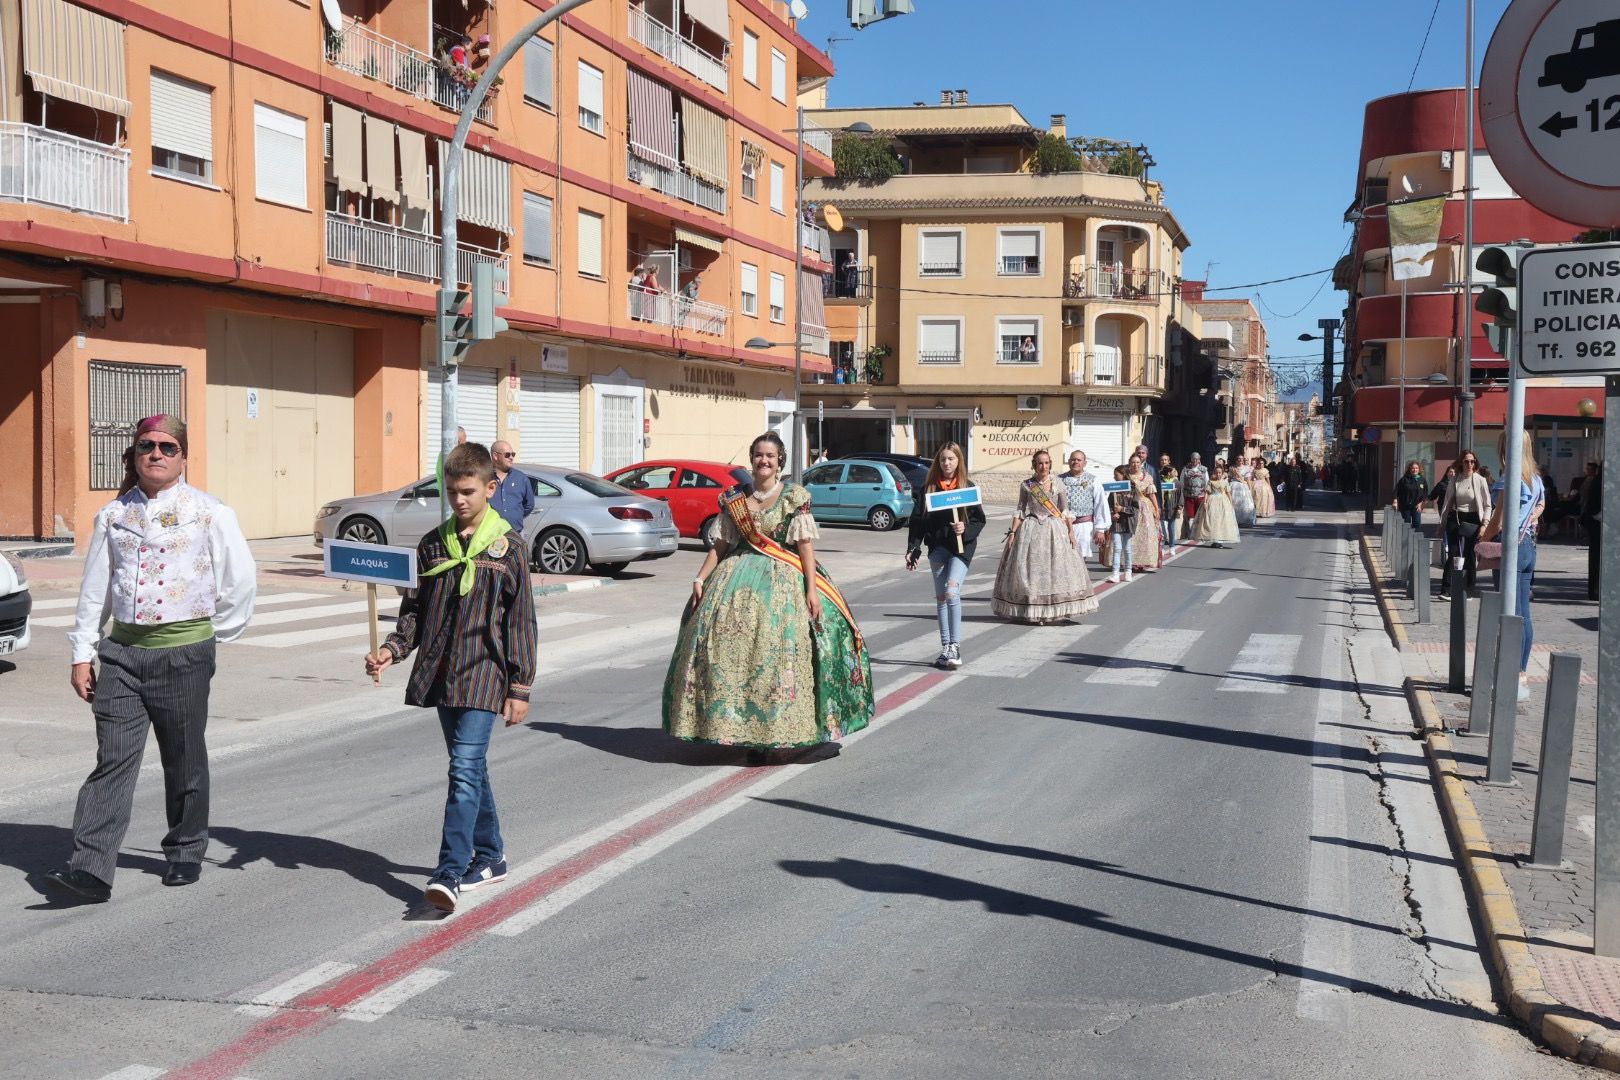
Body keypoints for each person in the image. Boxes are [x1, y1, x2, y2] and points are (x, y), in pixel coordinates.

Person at [46, 416, 257, 904]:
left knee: (183, 757)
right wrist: (83, 654)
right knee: (112, 759)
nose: (156, 453)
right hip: (121, 655)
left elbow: (240, 582)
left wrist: (206, 637)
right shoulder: (113, 516)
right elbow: (95, 589)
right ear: (134, 455)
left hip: (184, 654)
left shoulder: (209, 512)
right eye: (147, 446)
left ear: (183, 456)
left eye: (168, 446)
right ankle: (91, 869)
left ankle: (185, 849)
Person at [366, 442, 537, 913]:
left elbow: (521, 622)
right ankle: (491, 854)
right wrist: (390, 650)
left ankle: (449, 872)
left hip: (486, 674)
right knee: (471, 769)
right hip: (443, 673)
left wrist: (520, 687)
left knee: (462, 770)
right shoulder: (433, 545)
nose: (459, 500)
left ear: (490, 487)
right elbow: (416, 613)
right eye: (452, 492)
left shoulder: (510, 549)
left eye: (468, 491)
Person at [665, 433, 873, 763]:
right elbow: (720, 545)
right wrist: (700, 578)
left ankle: (777, 732)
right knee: (725, 651)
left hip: (784, 578)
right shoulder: (734, 498)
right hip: (735, 576)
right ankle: (738, 730)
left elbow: (804, 546)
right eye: (759, 455)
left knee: (780, 654)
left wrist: (811, 589)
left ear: (780, 461)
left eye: (771, 456)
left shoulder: (794, 496)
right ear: (752, 459)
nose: (764, 461)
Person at [906, 442, 987, 669]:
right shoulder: (929, 489)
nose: (947, 463)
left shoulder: (967, 488)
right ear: (938, 462)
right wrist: (913, 548)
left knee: (952, 593)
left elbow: (980, 519)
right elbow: (918, 522)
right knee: (941, 597)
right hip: (938, 548)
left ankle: (956, 647)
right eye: (943, 459)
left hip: (961, 549)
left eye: (951, 459)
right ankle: (945, 649)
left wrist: (965, 528)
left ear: (958, 461)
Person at [992, 450, 1097, 623]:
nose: (1044, 466)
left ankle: (1051, 610)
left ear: (1050, 464)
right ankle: (1033, 609)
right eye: (1040, 463)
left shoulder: (1058, 483)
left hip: (1054, 529)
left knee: (1055, 569)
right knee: (1031, 570)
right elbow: (1020, 510)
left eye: (1047, 463)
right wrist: (1012, 532)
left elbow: (1064, 510)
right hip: (1031, 530)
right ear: (1034, 464)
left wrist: (1070, 531)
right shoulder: (1027, 485)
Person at [1480, 429, 1544, 704]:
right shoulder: (1536, 479)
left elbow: (1499, 520)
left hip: (1512, 549)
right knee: (1524, 615)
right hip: (1529, 547)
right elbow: (1541, 506)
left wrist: (1482, 538)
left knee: (1510, 614)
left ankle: (1511, 677)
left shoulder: (1510, 478)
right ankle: (1520, 672)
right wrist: (1529, 520)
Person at [1440, 451, 1492, 600]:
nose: (1470, 464)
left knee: (1469, 553)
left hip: (1473, 518)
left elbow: (1488, 505)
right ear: (1461, 463)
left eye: (1472, 462)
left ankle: (1469, 589)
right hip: (1455, 517)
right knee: (1454, 553)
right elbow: (1447, 502)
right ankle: (1446, 589)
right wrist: (1441, 524)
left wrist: (1484, 524)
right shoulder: (1455, 479)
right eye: (1466, 462)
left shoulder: (1480, 480)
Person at [1060, 449, 1109, 565]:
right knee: (1063, 556)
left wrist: (1100, 529)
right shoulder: (1059, 480)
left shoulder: (1093, 480)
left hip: (1084, 525)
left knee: (1080, 557)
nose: (1076, 462)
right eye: (1073, 459)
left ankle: (1079, 582)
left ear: (1084, 463)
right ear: (1068, 462)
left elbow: (1100, 504)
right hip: (1062, 524)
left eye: (1079, 460)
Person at [1126, 451, 1162, 572]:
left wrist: (1157, 509)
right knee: (1132, 534)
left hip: (1145, 508)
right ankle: (1131, 561)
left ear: (1141, 464)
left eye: (1137, 462)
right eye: (1133, 462)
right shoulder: (1126, 476)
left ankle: (1143, 561)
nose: (1135, 464)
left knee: (1145, 535)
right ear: (1129, 464)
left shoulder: (1147, 477)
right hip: (1130, 506)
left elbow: (1151, 495)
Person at [1191, 462, 1241, 548]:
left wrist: (1231, 503)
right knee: (1212, 520)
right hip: (1212, 501)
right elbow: (1207, 492)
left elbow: (1228, 493)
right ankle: (1214, 539)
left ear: (1222, 473)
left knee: (1221, 520)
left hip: (1223, 501)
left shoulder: (1225, 482)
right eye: (1216, 472)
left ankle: (1219, 540)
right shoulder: (1211, 482)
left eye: (1220, 473)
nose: (1218, 474)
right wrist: (1205, 502)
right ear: (1214, 473)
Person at [488, 441, 534, 532]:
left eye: (513, 454)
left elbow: (529, 505)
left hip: (516, 533)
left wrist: (516, 515)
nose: (511, 458)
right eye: (507, 455)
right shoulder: (484, 478)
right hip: (490, 533)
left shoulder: (521, 478)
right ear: (495, 456)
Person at [1106, 465, 1139, 583]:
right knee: (1117, 548)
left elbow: (1135, 509)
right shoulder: (1114, 489)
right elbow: (1109, 505)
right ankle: (1115, 573)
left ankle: (1128, 572)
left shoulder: (1132, 489)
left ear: (1123, 474)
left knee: (1127, 548)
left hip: (1128, 523)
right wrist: (1112, 513)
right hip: (1117, 523)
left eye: (1116, 475)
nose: (1114, 477)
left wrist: (1122, 509)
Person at [1582, 463, 1602, 601]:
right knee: (1597, 557)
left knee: (1595, 556)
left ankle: (1594, 590)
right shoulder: (1601, 481)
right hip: (1598, 522)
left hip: (1594, 521)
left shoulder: (1597, 480)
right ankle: (1595, 590)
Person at [1429, 464, 1456, 569]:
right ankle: (1446, 544)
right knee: (1445, 525)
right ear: (1447, 473)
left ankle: (1450, 543)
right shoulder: (1442, 484)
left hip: (1454, 509)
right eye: (1450, 472)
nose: (1452, 473)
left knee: (1452, 526)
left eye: (1454, 472)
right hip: (1443, 509)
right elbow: (1432, 495)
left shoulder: (1458, 483)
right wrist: (1423, 502)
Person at [1180, 452, 1209, 538]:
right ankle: (1191, 533)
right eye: (1193, 459)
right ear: (1191, 459)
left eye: (1196, 459)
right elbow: (1181, 481)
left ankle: (1198, 533)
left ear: (1199, 460)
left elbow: (1207, 482)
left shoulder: (1204, 470)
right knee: (1190, 515)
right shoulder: (1185, 469)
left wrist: (1206, 495)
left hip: (1200, 495)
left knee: (1199, 515)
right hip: (1189, 495)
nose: (1195, 460)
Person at [1393, 460, 1427, 532]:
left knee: (1417, 523)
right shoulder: (1404, 479)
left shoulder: (1422, 479)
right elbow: (1396, 491)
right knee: (1406, 524)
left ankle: (1416, 541)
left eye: (1416, 468)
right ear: (1410, 469)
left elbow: (1425, 493)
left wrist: (1421, 503)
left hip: (1417, 506)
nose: (1415, 470)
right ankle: (1406, 541)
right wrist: (1395, 501)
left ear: (1419, 469)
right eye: (1413, 468)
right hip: (1405, 506)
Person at [1156, 453, 1180, 551]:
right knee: (1161, 525)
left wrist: (1179, 506)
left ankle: (1171, 544)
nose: (1164, 462)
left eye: (1166, 460)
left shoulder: (1174, 476)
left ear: (1169, 461)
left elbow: (1179, 492)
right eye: (1162, 460)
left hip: (1171, 505)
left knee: (1171, 525)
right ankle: (1162, 541)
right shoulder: (1157, 474)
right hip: (1161, 504)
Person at [1230, 461, 1256, 527]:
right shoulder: (1232, 468)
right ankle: (1234, 519)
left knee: (1243, 503)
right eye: (1239, 459)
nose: (1240, 460)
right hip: (1233, 486)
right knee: (1234, 502)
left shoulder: (1246, 469)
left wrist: (1249, 489)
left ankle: (1243, 519)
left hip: (1242, 486)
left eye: (1241, 459)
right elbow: (1230, 477)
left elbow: (1248, 479)